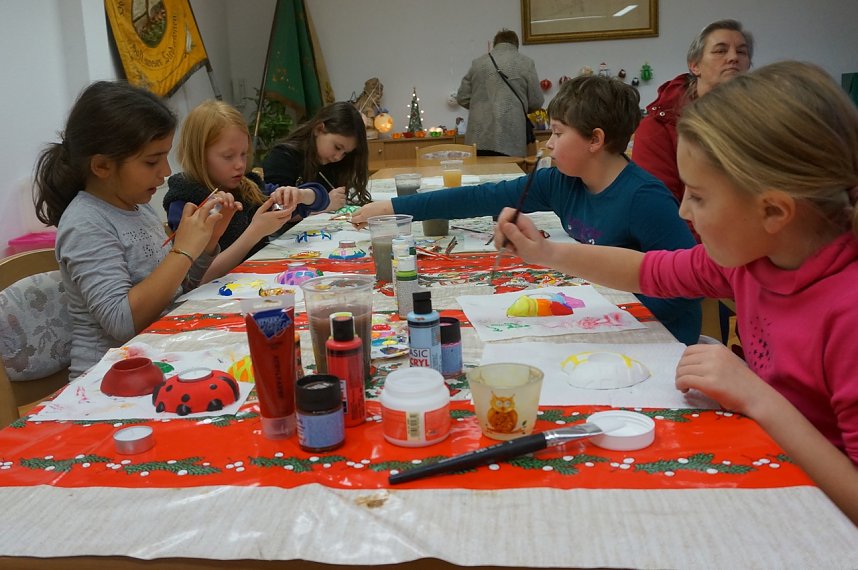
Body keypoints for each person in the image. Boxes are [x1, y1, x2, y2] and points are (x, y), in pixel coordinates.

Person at [495, 61, 858, 525]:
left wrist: (757, 397)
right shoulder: (753, 259)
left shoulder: (847, 313)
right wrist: (546, 253)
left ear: (773, 211)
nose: (684, 210)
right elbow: (648, 270)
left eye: (699, 197)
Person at [353, 75, 701, 345]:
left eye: (558, 133)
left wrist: (620, 314)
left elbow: (688, 287)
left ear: (595, 140)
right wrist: (394, 206)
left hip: (658, 334)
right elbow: (480, 197)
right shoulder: (562, 182)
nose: (549, 144)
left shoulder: (645, 199)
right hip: (607, 313)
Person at [33, 81, 228, 379]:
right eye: (152, 161)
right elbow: (123, 322)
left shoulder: (139, 208)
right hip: (109, 378)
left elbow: (177, 291)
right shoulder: (85, 223)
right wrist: (183, 250)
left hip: (161, 355)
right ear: (102, 166)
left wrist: (207, 243)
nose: (166, 172)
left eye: (165, 157)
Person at [163, 100, 328, 276]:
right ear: (198, 155)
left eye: (244, 154)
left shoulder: (250, 186)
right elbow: (196, 278)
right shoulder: (185, 201)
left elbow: (321, 199)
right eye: (228, 156)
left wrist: (300, 195)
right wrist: (255, 232)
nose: (240, 165)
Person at [633, 19, 753, 205]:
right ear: (695, 65)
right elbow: (658, 208)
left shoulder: (764, 120)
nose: (733, 58)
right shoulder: (658, 127)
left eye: (741, 52)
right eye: (720, 51)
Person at [263, 101, 371, 218]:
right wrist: (324, 206)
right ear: (319, 129)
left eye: (345, 153)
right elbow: (275, 212)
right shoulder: (283, 156)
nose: (338, 157)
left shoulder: (334, 164)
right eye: (337, 147)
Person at [456, 29, 544, 158]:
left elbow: (462, 97)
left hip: (479, 137)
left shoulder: (478, 63)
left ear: (495, 44)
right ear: (516, 45)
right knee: (512, 170)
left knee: (481, 170)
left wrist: (480, 106)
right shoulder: (526, 63)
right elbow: (536, 101)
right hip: (512, 137)